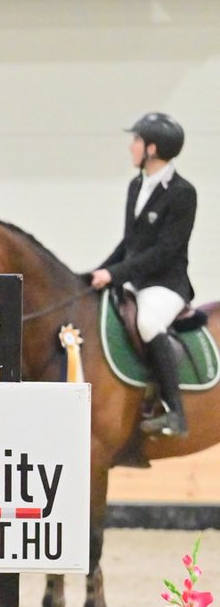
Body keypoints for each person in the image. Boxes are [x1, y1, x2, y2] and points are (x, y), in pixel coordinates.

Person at [90, 112, 196, 438]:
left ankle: (175, 412)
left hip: (166, 284)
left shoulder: (182, 193)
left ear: (152, 149)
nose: (130, 146)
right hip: (136, 279)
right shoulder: (136, 186)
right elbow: (130, 243)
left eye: (136, 140)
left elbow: (165, 252)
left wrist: (115, 274)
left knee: (148, 322)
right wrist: (98, 272)